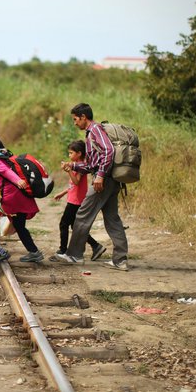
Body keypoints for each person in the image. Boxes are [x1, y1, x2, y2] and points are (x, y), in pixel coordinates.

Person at [52, 103, 129, 271]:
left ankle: (74, 255)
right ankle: (120, 260)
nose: (74, 123)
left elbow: (108, 151)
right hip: (110, 180)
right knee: (112, 219)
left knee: (82, 215)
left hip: (103, 181)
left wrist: (100, 175)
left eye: (75, 119)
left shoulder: (94, 130)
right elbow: (92, 165)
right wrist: (73, 166)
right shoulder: (91, 133)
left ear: (83, 117)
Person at [0, 134, 46, 263]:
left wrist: (18, 180)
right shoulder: (3, 155)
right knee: (20, 226)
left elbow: (5, 172)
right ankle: (34, 252)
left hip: (11, 198)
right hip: (19, 195)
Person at [51, 140, 105, 261]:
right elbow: (73, 185)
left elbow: (76, 181)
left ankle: (63, 250)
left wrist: (69, 170)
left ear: (79, 153)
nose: (69, 155)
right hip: (74, 199)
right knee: (76, 227)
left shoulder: (81, 167)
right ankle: (96, 246)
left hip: (75, 202)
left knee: (64, 224)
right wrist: (63, 192)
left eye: (71, 153)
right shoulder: (75, 164)